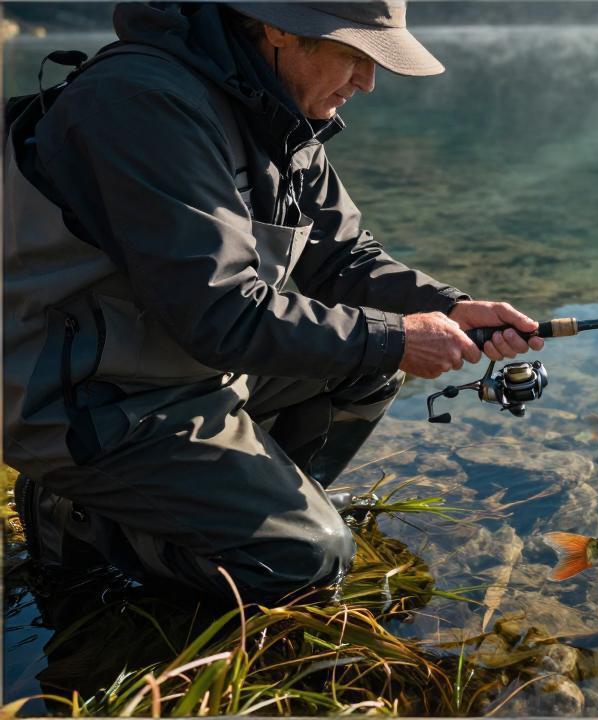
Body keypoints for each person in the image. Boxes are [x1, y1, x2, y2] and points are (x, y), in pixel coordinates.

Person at [3, 1, 543, 603]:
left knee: (369, 369)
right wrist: (396, 337)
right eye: (357, 55)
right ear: (281, 28)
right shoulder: (142, 104)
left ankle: (246, 505)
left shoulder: (272, 102)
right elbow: (221, 314)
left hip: (177, 366)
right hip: (84, 397)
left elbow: (343, 258)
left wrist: (448, 307)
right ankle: (77, 516)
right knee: (305, 562)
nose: (368, 82)